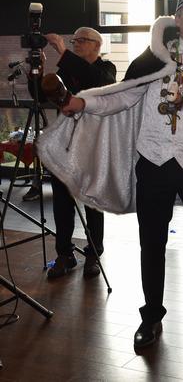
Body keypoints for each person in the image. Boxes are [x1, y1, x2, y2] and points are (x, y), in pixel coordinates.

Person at [39, 0, 183, 348]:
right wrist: (82, 103)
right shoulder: (152, 59)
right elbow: (120, 96)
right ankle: (151, 316)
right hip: (154, 164)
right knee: (151, 243)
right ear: (177, 19)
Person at [40, 27, 116, 279]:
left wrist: (63, 53)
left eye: (82, 40)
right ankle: (65, 254)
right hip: (65, 147)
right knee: (62, 205)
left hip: (94, 149)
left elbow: (97, 83)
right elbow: (41, 96)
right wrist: (38, 71)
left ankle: (93, 254)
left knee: (93, 205)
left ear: (97, 45)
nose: (76, 44)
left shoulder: (107, 69)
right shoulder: (67, 70)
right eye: (74, 41)